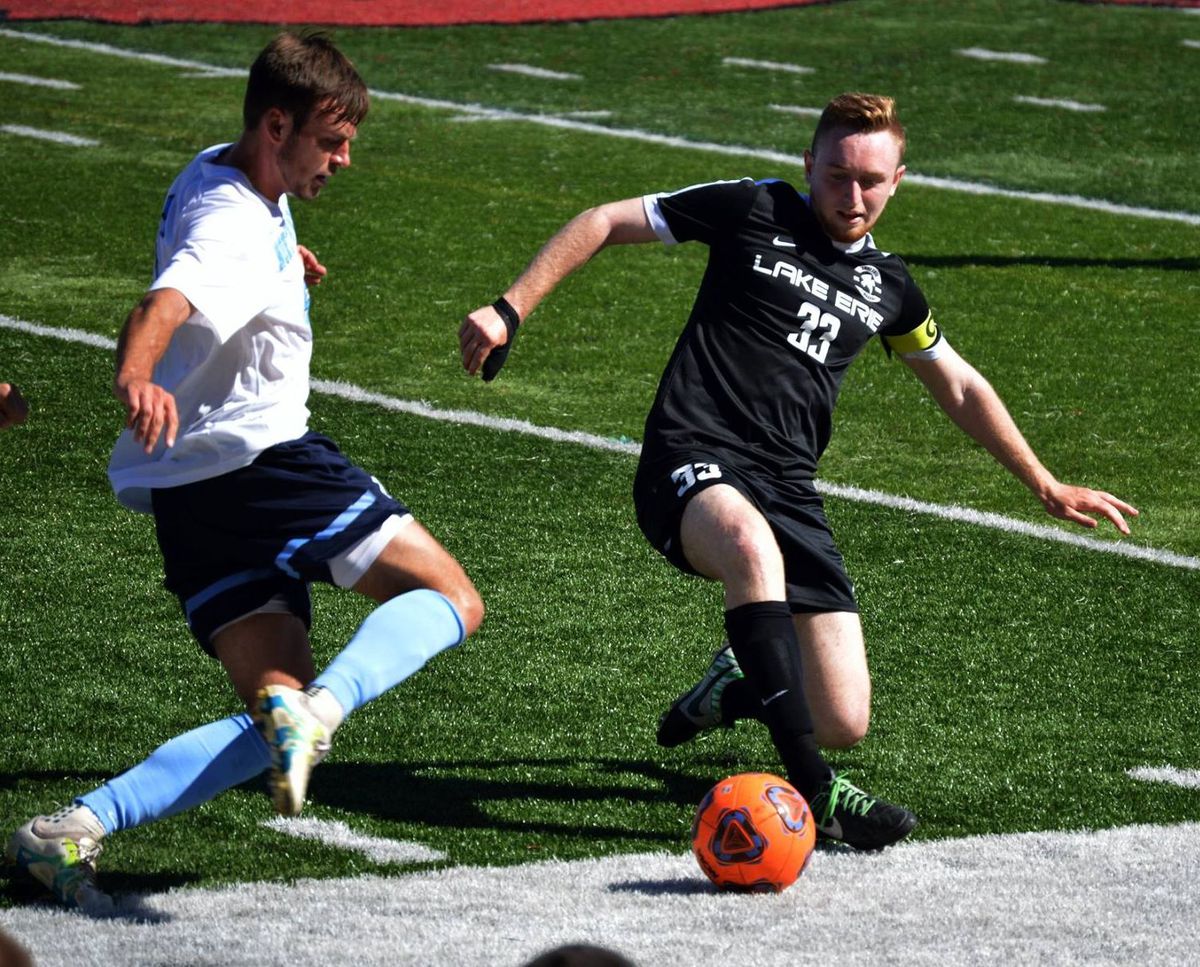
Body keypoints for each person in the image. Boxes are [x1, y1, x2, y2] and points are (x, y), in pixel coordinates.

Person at [460, 92, 1137, 851]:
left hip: (789, 486)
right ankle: (817, 793)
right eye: (838, 175)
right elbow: (605, 220)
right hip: (689, 455)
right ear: (807, 164)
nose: (853, 196)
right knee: (753, 552)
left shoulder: (890, 284)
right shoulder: (752, 208)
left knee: (845, 717)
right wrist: (508, 309)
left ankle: (740, 682)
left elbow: (958, 382)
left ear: (899, 181)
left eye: (871, 182)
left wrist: (1044, 482)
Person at [7, 31, 483, 910]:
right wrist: (135, 374)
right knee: (450, 598)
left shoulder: (223, 176)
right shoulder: (233, 222)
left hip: (187, 495)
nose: (344, 159)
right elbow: (166, 301)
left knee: (275, 714)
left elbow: (219, 252)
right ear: (276, 124)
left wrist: (283, 268)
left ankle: (69, 829)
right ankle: (326, 708)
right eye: (330, 141)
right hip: (264, 463)